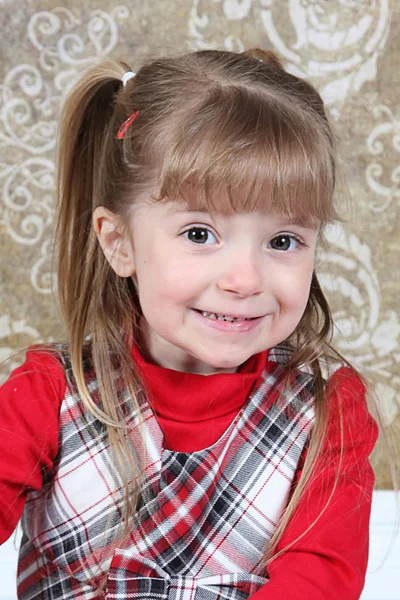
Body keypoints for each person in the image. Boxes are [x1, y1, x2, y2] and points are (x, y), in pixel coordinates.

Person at [0, 48, 379, 600]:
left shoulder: (325, 420)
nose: (245, 279)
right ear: (119, 242)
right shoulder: (48, 396)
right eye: (200, 234)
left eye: (283, 241)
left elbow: (318, 581)